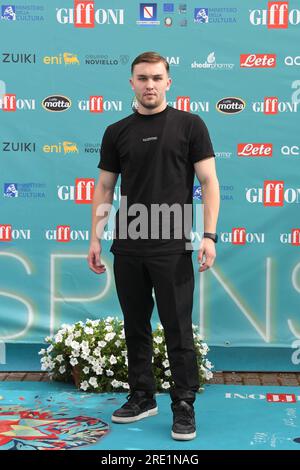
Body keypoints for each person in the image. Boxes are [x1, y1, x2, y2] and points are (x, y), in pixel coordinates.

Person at [88, 52, 220, 441]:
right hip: (127, 244)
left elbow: (209, 183)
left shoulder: (190, 125)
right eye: (142, 78)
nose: (150, 84)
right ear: (131, 83)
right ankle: (142, 396)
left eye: (157, 77)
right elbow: (105, 188)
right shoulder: (116, 131)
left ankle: (183, 405)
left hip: (172, 243)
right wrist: (95, 236)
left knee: (177, 328)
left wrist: (208, 235)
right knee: (135, 326)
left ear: (168, 82)